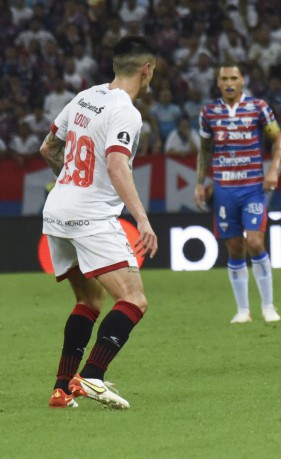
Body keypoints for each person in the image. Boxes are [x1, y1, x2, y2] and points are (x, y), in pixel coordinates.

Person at [39, 35, 159, 410]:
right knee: (134, 299)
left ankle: (62, 388)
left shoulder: (85, 96)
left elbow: (47, 148)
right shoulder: (126, 112)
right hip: (90, 216)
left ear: (113, 65)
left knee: (89, 300)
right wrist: (142, 219)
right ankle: (91, 376)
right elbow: (115, 165)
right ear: (147, 70)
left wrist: (72, 182)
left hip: (56, 210)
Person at [195, 63, 281, 324]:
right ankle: (243, 310)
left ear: (242, 80)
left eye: (233, 77)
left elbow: (279, 140)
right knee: (235, 249)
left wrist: (274, 170)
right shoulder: (209, 112)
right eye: (224, 78)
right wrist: (200, 182)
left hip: (252, 187)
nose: (229, 82)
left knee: (256, 242)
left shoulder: (258, 107)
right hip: (224, 189)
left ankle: (268, 306)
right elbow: (205, 150)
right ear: (218, 82)